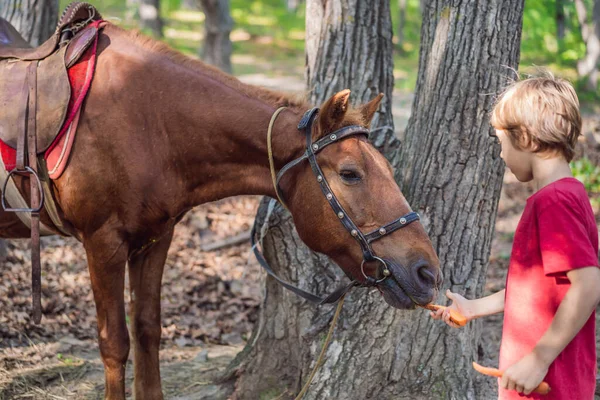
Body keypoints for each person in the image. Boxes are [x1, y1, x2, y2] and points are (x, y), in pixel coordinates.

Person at [431, 74, 600, 399]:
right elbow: (538, 289)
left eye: (501, 143)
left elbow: (588, 285)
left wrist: (538, 359)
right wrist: (472, 308)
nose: (500, 155)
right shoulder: (570, 194)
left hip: (545, 383)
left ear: (524, 138)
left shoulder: (553, 202)